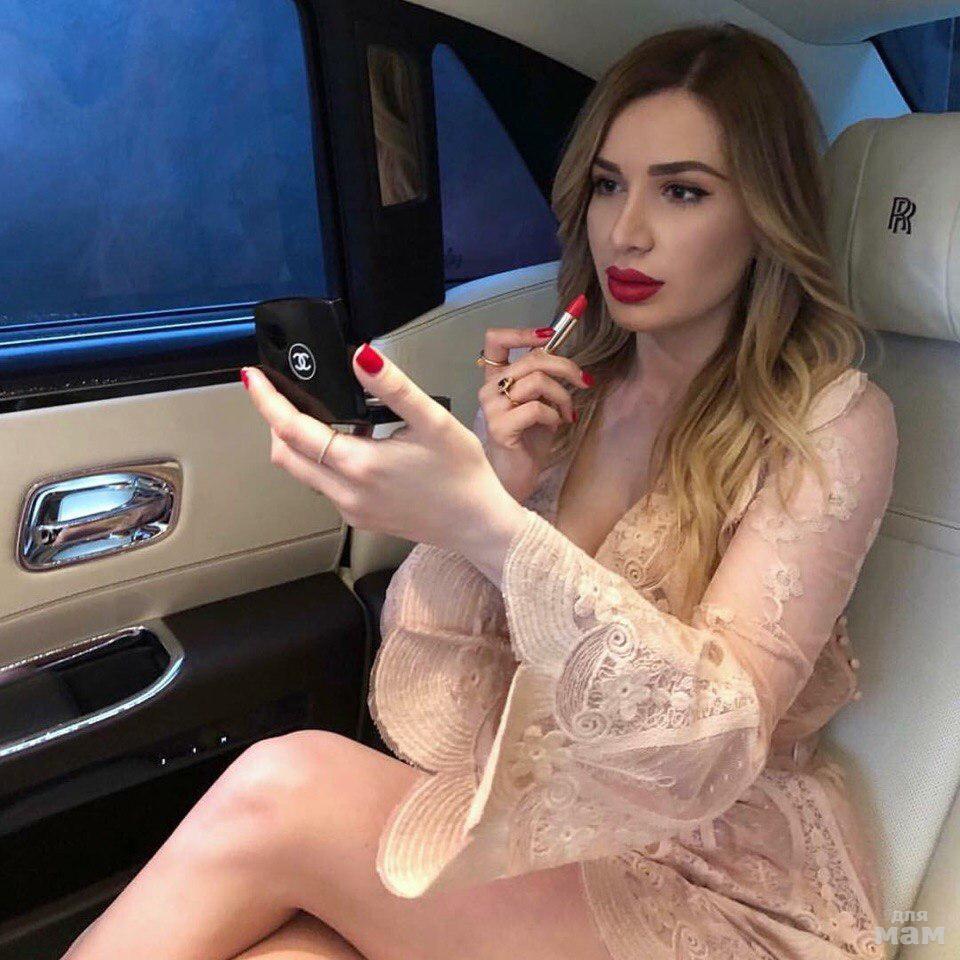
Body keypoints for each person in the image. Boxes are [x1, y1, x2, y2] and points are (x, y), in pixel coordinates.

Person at [63, 21, 898, 960]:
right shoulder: (571, 390)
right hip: (542, 841)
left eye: (683, 191)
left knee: (281, 785)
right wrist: (506, 479)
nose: (626, 230)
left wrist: (494, 526)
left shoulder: (829, 420)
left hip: (712, 885)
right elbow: (445, 679)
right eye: (608, 185)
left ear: (766, 215)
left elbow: (715, 746)